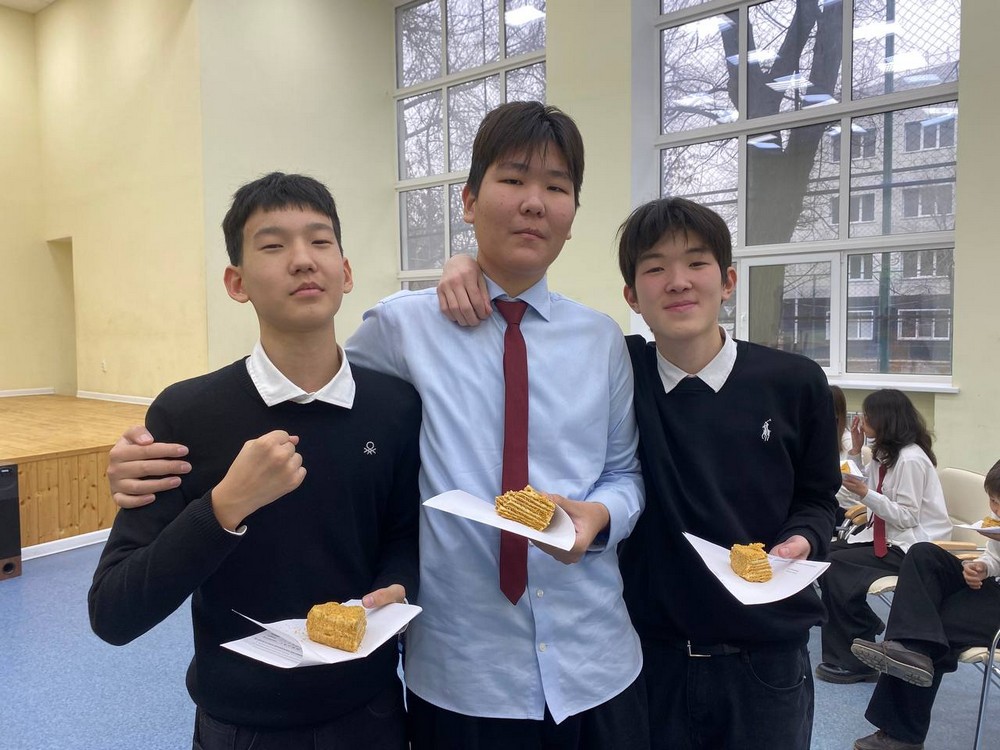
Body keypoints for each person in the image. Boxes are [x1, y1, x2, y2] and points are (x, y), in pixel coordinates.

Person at [101, 102, 649, 750]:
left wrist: (600, 517)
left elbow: (624, 471)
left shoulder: (601, 340)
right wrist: (140, 458)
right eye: (512, 179)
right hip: (462, 677)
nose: (534, 202)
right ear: (469, 201)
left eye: (556, 187)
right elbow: (309, 388)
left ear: (573, 214)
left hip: (597, 662)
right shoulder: (400, 329)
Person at [436, 196, 840, 749]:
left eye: (696, 263)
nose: (678, 282)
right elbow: (526, 337)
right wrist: (466, 265)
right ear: (632, 296)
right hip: (649, 658)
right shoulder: (617, 368)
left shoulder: (795, 382)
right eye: (655, 268)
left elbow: (819, 498)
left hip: (765, 658)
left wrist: (803, 538)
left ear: (727, 281)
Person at [88, 172, 422, 750]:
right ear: (236, 282)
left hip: (371, 713)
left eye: (320, 241)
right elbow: (114, 613)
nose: (302, 260)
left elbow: (402, 534)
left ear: (345, 272)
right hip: (241, 726)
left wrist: (398, 583)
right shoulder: (186, 414)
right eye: (273, 245)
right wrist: (224, 506)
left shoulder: (393, 405)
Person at [846, 459, 1000, 750]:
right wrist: (983, 566)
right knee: (923, 555)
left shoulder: (912, 459)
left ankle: (902, 735)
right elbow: (994, 556)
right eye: (993, 501)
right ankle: (909, 651)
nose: (996, 510)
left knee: (931, 629)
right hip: (991, 588)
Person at [816, 388, 953, 684]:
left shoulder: (911, 459)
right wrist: (856, 450)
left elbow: (906, 517)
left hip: (912, 547)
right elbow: (864, 487)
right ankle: (861, 627)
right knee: (824, 556)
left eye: (867, 416)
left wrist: (866, 494)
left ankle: (852, 657)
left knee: (836, 566)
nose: (861, 420)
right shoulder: (886, 454)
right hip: (886, 538)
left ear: (885, 419)